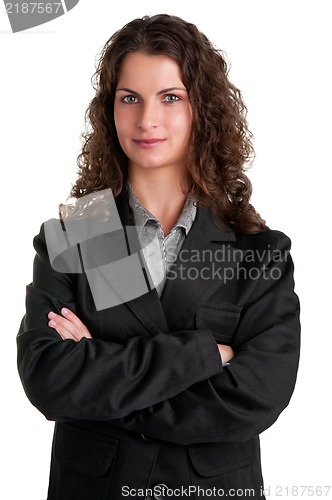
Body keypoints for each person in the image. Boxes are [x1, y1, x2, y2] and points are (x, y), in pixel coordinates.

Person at [17, 14, 300, 500]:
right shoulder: (84, 230)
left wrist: (101, 377)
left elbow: (259, 396)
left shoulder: (257, 250)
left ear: (202, 110)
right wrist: (204, 355)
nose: (147, 119)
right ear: (111, 110)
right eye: (130, 98)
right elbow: (50, 379)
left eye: (171, 98)